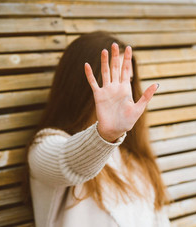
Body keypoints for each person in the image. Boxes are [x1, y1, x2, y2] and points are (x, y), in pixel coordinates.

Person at [27, 31, 170, 227]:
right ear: (82, 85)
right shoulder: (45, 147)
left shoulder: (135, 157)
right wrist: (106, 134)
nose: (124, 93)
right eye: (113, 80)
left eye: (127, 81)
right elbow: (68, 162)